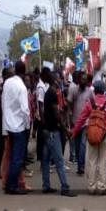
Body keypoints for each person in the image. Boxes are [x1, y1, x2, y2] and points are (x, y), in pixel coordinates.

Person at [72, 77, 106, 195]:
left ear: (95, 90)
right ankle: (101, 186)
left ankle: (91, 186)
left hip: (91, 134)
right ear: (104, 90)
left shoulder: (90, 103)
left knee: (91, 160)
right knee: (103, 161)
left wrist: (74, 132)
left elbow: (81, 119)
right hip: (104, 135)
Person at [38, 68, 77, 197]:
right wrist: (65, 130)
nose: (61, 80)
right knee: (59, 160)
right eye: (59, 78)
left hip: (47, 130)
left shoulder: (49, 93)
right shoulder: (52, 93)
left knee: (45, 159)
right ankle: (64, 187)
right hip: (53, 131)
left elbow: (48, 111)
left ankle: (46, 185)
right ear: (55, 80)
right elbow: (56, 115)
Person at [2, 60, 31, 195]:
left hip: (8, 124)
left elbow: (4, 102)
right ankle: (11, 186)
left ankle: (9, 184)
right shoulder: (22, 87)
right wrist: (27, 125)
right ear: (24, 72)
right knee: (17, 158)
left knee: (12, 155)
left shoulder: (7, 82)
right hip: (19, 126)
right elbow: (25, 110)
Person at [66, 71, 92, 175]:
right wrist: (68, 122)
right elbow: (68, 107)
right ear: (79, 80)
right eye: (82, 79)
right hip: (75, 123)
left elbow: (94, 105)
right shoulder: (73, 90)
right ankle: (79, 164)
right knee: (77, 146)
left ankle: (81, 167)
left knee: (82, 145)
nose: (84, 81)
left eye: (85, 79)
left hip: (86, 123)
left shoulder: (90, 91)